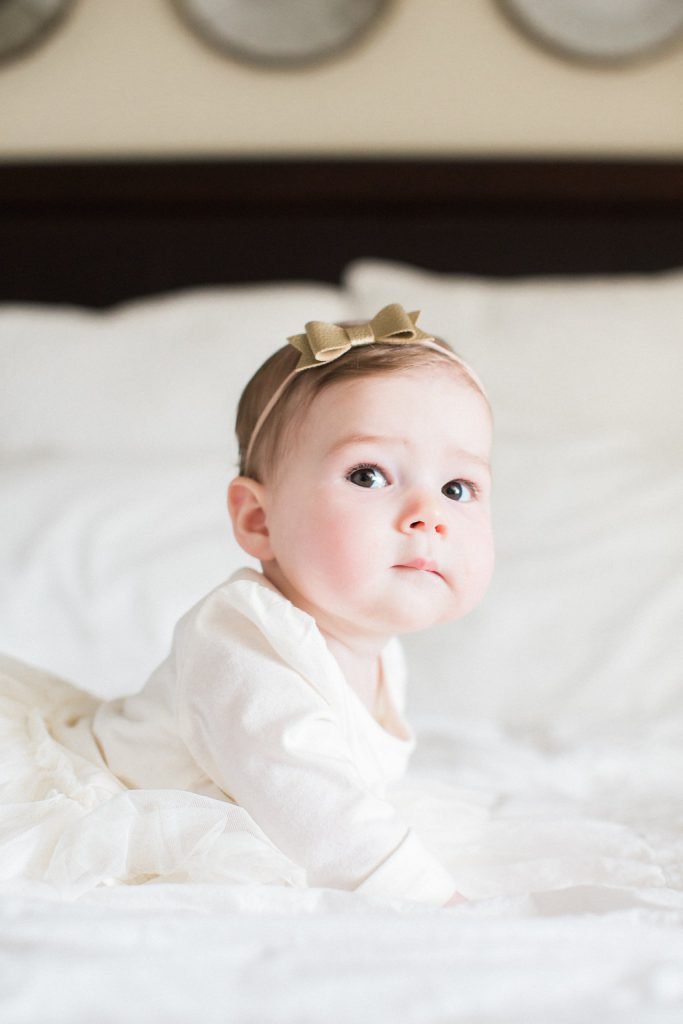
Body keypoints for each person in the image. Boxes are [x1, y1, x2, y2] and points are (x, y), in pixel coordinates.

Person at [0, 304, 494, 906]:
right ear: (259, 520)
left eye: (457, 488)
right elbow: (316, 802)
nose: (429, 515)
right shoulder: (240, 636)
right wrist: (432, 899)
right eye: (368, 475)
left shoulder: (381, 652)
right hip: (96, 788)